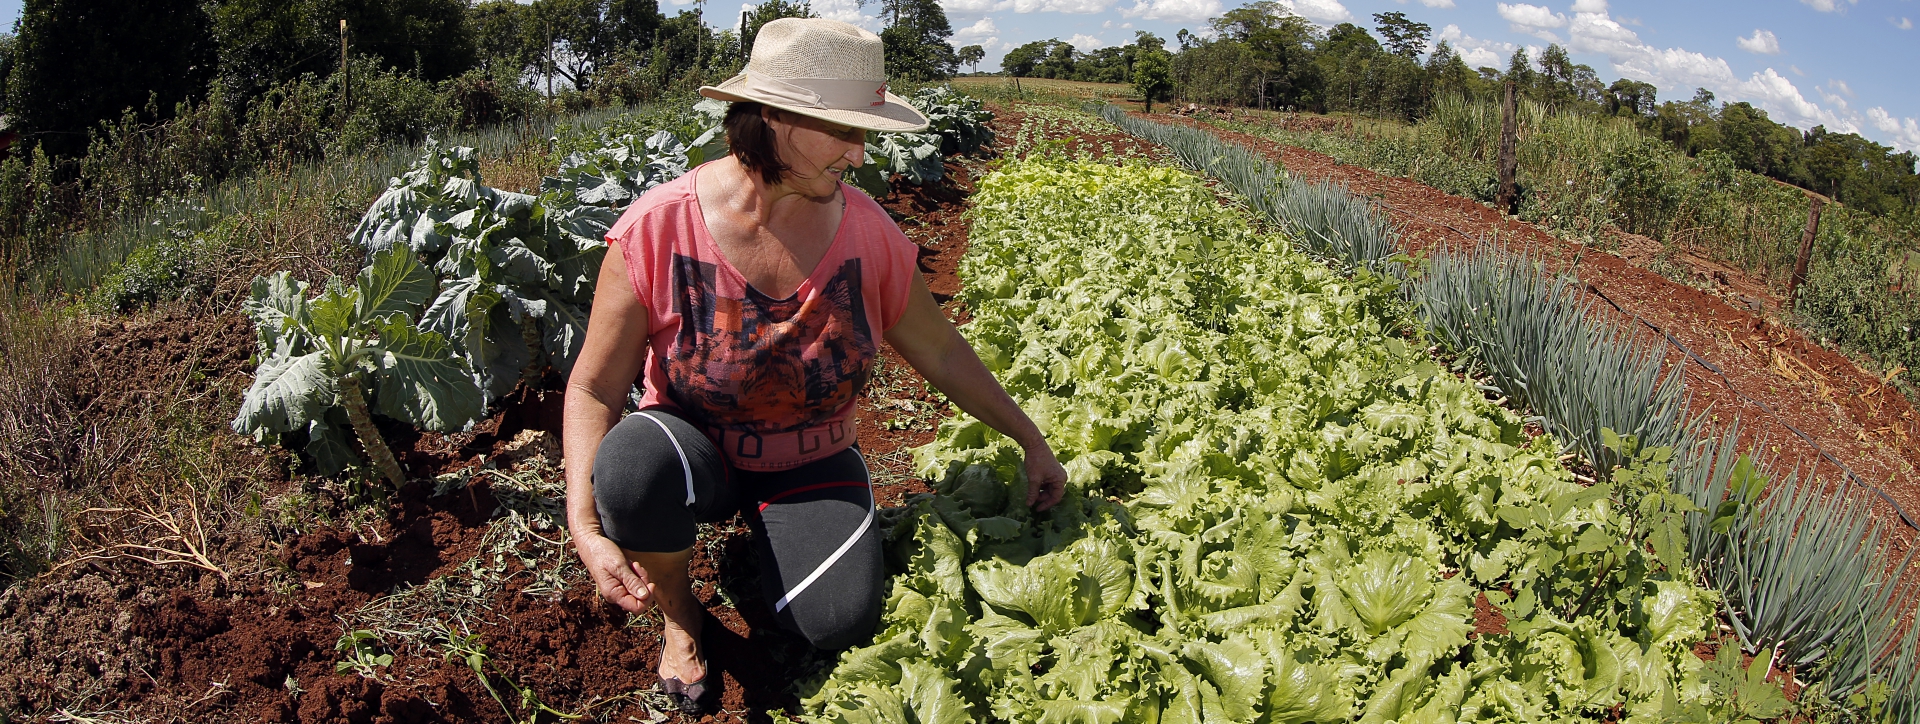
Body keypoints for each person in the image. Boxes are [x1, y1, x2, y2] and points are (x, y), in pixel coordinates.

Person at [562, 18, 1069, 714]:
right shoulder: (658, 228)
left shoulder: (868, 233)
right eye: (844, 131)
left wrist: (1030, 439)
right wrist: (585, 523)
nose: (859, 155)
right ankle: (681, 621)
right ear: (774, 119)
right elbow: (594, 386)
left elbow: (943, 349)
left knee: (835, 623)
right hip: (693, 452)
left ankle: (781, 536)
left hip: (809, 458)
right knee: (631, 469)